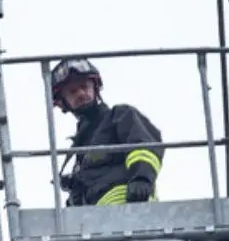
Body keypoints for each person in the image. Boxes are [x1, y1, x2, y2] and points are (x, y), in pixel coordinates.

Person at [49, 58, 163, 207]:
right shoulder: (82, 144)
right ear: (62, 102)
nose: (81, 93)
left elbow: (143, 146)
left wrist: (142, 179)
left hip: (130, 204)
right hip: (98, 218)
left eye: (84, 86)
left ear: (95, 88)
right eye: (73, 91)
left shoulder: (120, 115)